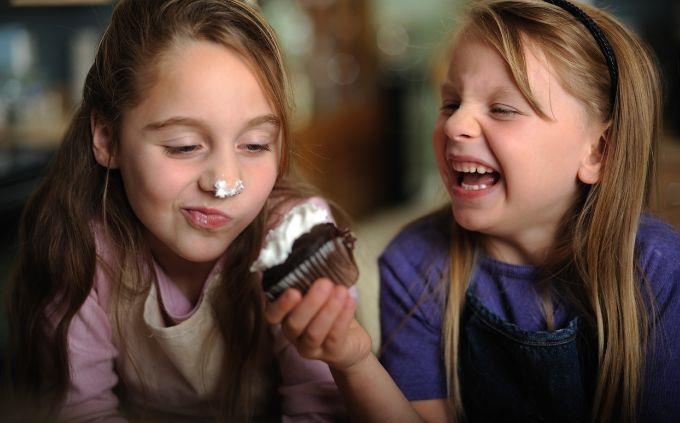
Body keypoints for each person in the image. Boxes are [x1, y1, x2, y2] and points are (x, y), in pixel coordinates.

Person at [265, 0, 680, 422]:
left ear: (598, 152)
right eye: (449, 103)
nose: (454, 124)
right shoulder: (414, 264)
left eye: (502, 109)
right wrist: (353, 360)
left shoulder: (658, 271)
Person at [5, 0, 349, 421]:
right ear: (108, 138)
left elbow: (321, 406)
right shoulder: (80, 252)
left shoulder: (298, 239)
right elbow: (79, 410)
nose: (225, 182)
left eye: (256, 144)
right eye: (184, 146)